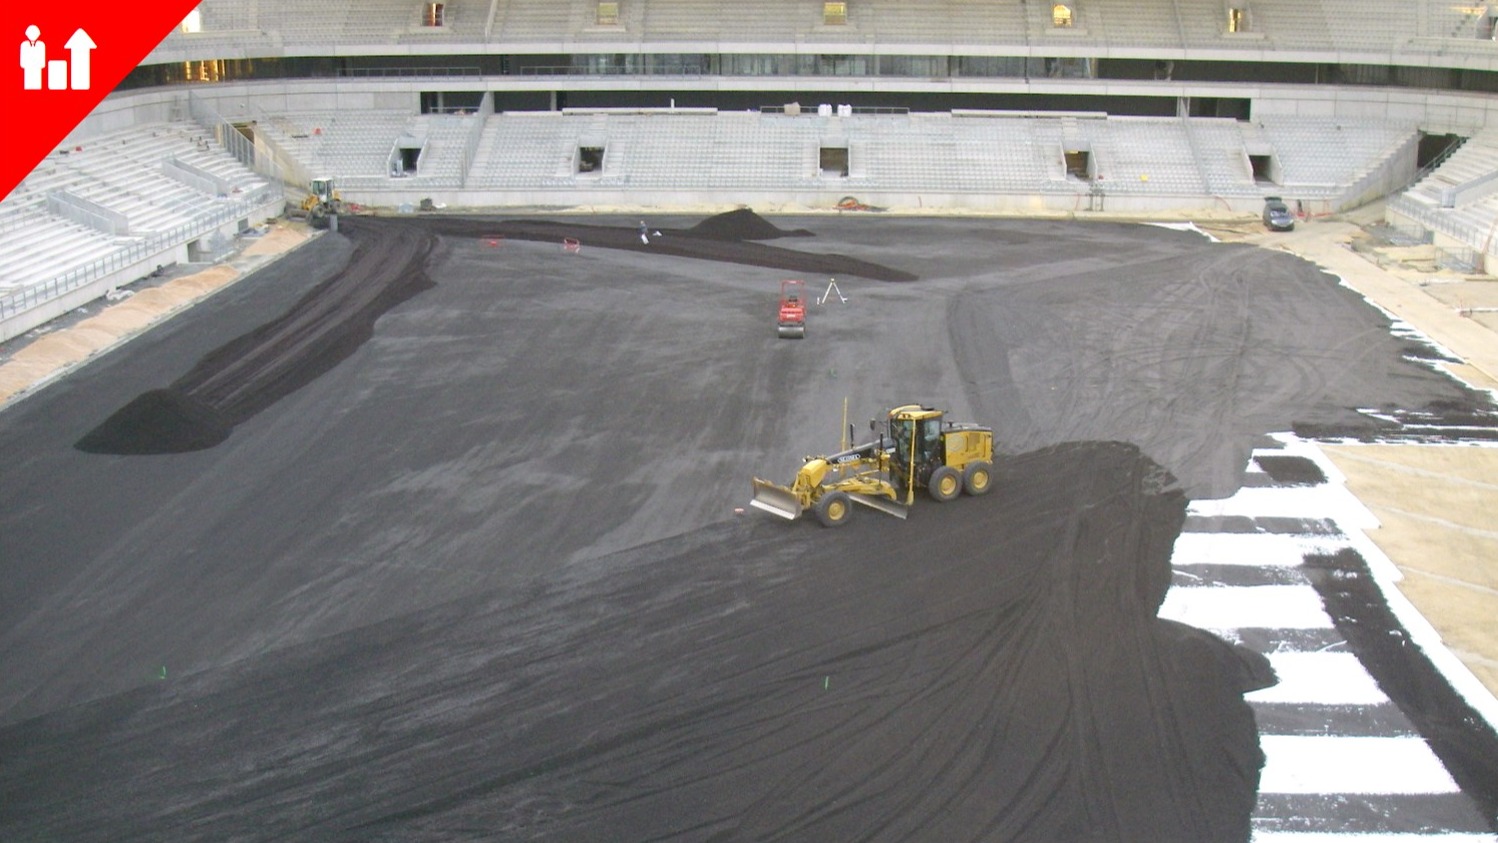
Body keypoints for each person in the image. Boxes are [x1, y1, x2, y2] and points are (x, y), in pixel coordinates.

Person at [20, 25, 45, 91]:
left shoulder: (41, 45)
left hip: (37, 70)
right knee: (29, 85)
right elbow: (23, 61)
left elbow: (42, 61)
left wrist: (37, 64)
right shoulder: (24, 45)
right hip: (28, 70)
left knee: (37, 85)